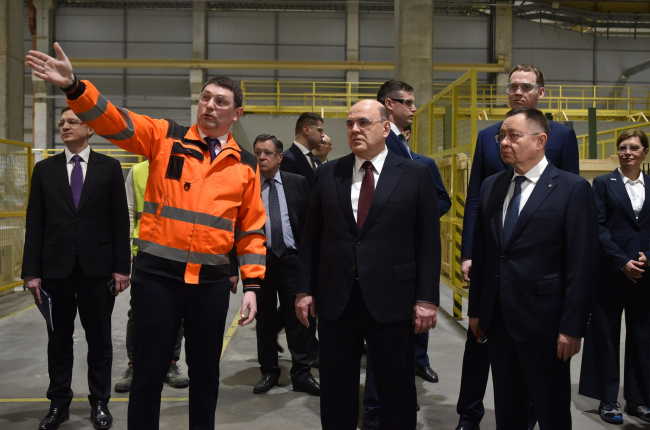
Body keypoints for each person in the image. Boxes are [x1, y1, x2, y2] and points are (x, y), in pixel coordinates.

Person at [26, 43, 266, 430]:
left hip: (210, 284)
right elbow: (113, 120)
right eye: (205, 97)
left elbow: (252, 228)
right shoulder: (164, 137)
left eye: (220, 101)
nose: (209, 105)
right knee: (148, 373)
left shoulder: (246, 165)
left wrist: (252, 285)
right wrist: (74, 87)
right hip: (157, 279)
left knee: (205, 375)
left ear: (236, 113)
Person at [295, 100, 441, 429]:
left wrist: (426, 299)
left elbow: (429, 243)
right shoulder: (328, 173)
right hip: (337, 299)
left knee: (396, 388)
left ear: (386, 128)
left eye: (363, 122)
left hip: (394, 299)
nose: (354, 129)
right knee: (336, 388)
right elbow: (311, 237)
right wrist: (304, 290)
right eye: (349, 124)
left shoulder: (415, 174)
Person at [456, 63, 580, 430]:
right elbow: (478, 212)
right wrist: (470, 263)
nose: (504, 143)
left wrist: (572, 324)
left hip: (542, 303)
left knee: (548, 400)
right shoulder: (492, 169)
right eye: (512, 86)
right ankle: (469, 413)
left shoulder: (566, 163)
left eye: (525, 86)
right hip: (496, 297)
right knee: (502, 391)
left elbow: (579, 255)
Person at [22, 107, 130, 430]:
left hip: (98, 271)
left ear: (90, 128)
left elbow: (119, 221)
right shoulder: (45, 170)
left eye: (72, 121)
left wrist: (121, 268)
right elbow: (35, 223)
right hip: (55, 271)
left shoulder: (109, 168)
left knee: (100, 340)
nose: (64, 126)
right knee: (58, 341)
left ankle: (99, 402)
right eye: (61, 122)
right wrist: (31, 272)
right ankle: (59, 404)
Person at [360, 80, 451, 430]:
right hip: (385, 259)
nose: (414, 108)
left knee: (398, 341)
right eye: (407, 102)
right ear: (389, 105)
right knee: (385, 342)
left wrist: (419, 216)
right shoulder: (382, 146)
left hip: (406, 257)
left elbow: (435, 200)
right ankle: (376, 409)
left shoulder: (415, 156)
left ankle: (394, 401)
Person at [579, 130, 650, 424]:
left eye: (634, 147)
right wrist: (621, 261)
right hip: (611, 270)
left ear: (645, 152)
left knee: (642, 335)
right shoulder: (602, 184)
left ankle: (639, 399)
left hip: (644, 273)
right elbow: (597, 227)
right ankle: (608, 399)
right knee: (606, 333)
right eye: (622, 147)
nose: (627, 152)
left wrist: (648, 257)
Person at [252, 134, 320, 396]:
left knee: (300, 318)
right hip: (262, 261)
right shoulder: (249, 186)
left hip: (293, 260)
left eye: (268, 153)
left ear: (280, 157)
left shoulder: (297, 183)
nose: (262, 157)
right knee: (265, 320)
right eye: (258, 152)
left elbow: (312, 224)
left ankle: (302, 373)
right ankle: (269, 371)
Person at [114, 160, 189, 393]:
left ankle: (170, 364)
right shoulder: (138, 171)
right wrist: (124, 252)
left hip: (178, 253)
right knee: (138, 312)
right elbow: (129, 211)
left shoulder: (184, 167)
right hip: (145, 253)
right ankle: (134, 365)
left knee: (177, 312)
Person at [280, 112, 324, 188]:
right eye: (319, 130)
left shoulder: (316, 160)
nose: (323, 135)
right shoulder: (288, 159)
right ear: (306, 130)